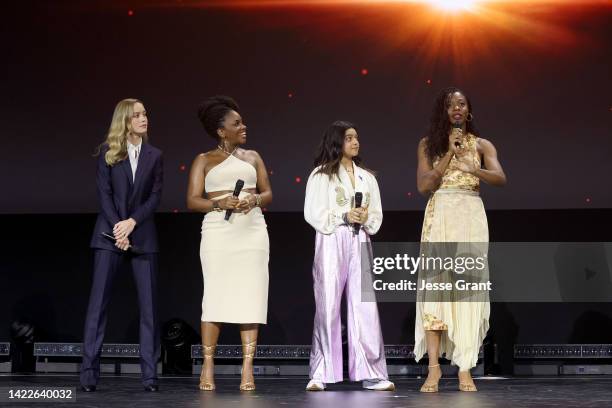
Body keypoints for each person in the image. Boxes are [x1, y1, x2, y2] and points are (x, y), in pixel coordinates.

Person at [414, 87, 506, 392]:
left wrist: (474, 168)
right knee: (436, 291)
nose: (456, 108)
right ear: (443, 112)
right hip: (440, 215)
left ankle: (465, 367)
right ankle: (434, 369)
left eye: (462, 103)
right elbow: (424, 185)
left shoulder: (482, 144)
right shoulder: (429, 145)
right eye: (451, 104)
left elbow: (500, 178)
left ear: (468, 111)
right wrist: (449, 155)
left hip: (470, 216)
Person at [186, 95, 272, 391]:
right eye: (237, 123)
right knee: (215, 297)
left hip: (252, 232)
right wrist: (219, 202)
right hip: (218, 234)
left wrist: (255, 199)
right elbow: (192, 200)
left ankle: (247, 369)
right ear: (222, 131)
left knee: (251, 296)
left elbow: (269, 193)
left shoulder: (253, 157)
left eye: (242, 121)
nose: (243, 126)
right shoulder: (203, 160)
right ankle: (208, 365)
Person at [303, 121, 395, 392]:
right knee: (328, 303)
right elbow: (313, 212)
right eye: (349, 138)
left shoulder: (368, 178)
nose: (355, 142)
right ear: (336, 142)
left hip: (360, 239)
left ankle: (372, 373)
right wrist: (342, 215)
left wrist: (366, 218)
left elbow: (376, 215)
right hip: (332, 238)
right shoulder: (320, 175)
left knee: (364, 307)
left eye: (356, 137)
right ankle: (321, 372)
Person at [81, 98, 163, 392]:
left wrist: (132, 223)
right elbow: (104, 195)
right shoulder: (107, 152)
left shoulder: (155, 155)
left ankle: (150, 376)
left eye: (145, 113)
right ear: (125, 121)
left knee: (149, 310)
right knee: (97, 306)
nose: (144, 119)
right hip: (108, 236)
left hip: (142, 236)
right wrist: (119, 227)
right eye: (138, 115)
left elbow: (155, 196)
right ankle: (89, 374)